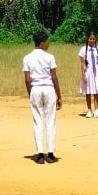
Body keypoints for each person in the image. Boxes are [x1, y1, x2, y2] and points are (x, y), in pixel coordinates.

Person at [23, 31, 62, 164]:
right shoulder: (49, 57)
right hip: (49, 88)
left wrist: (31, 94)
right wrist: (59, 96)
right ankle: (50, 153)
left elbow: (27, 79)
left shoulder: (27, 58)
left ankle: (40, 154)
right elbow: (54, 77)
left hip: (35, 89)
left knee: (38, 121)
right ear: (42, 43)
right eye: (47, 41)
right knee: (50, 121)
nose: (48, 44)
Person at [79, 32, 98, 118]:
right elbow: (82, 64)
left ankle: (97, 110)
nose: (92, 40)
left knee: (96, 91)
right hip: (88, 72)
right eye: (90, 39)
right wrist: (83, 75)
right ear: (88, 39)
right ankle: (89, 110)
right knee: (88, 92)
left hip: (96, 72)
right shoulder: (83, 49)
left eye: (93, 39)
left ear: (95, 40)